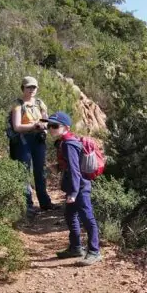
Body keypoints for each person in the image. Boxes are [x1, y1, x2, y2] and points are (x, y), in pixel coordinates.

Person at [46, 111, 102, 266]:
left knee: (87, 217)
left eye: (55, 126)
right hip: (75, 186)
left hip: (80, 187)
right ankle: (75, 247)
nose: (51, 128)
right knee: (70, 216)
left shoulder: (69, 143)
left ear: (66, 127)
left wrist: (74, 192)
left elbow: (75, 169)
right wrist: (57, 167)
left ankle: (94, 251)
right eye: (49, 125)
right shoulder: (65, 141)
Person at [8, 76, 54, 213]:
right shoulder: (17, 105)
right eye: (29, 87)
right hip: (24, 141)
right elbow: (16, 127)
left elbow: (46, 120)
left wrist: (43, 126)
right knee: (24, 172)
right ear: (23, 88)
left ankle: (45, 202)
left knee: (40, 171)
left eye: (34, 87)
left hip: (38, 140)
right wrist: (34, 125)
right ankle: (27, 205)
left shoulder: (40, 103)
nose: (31, 89)